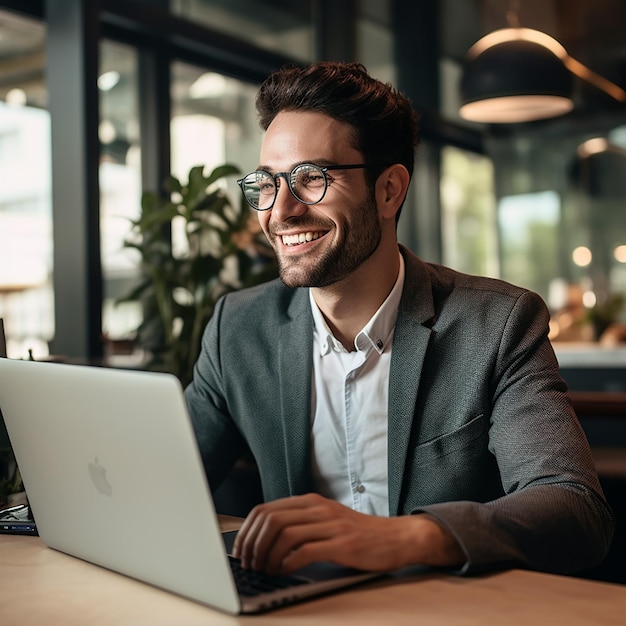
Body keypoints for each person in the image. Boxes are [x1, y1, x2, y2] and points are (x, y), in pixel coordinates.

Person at [184, 61, 614, 578]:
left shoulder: (497, 324)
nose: (280, 212)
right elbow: (165, 481)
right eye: (268, 184)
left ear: (389, 190)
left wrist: (404, 537)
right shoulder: (239, 328)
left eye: (310, 179)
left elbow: (574, 508)